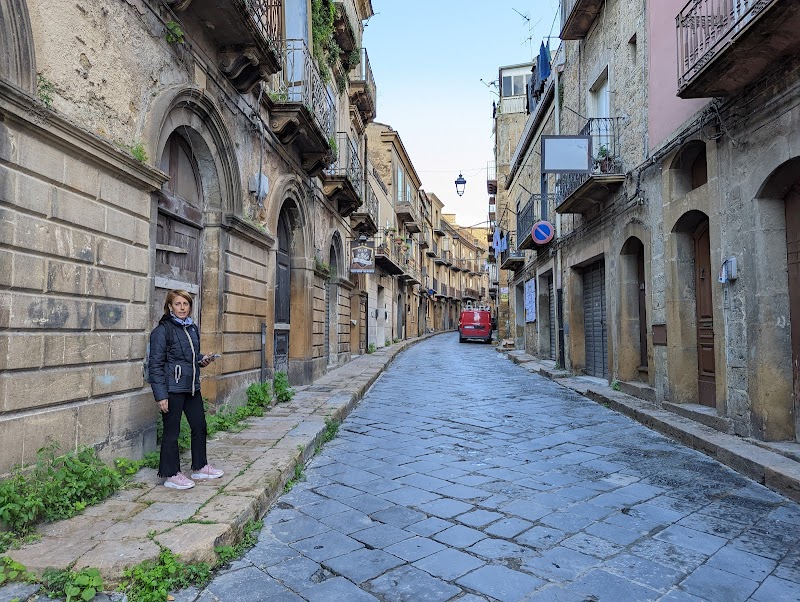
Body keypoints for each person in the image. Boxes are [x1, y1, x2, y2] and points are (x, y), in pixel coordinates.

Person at [148, 289, 224, 489]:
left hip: (191, 388)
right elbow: (155, 365)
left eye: (185, 304)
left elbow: (187, 357)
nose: (182, 308)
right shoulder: (162, 331)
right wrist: (161, 395)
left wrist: (201, 360)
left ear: (190, 306)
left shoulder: (191, 328)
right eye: (178, 304)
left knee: (199, 426)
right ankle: (171, 474)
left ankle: (199, 467)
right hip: (172, 389)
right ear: (170, 306)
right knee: (171, 432)